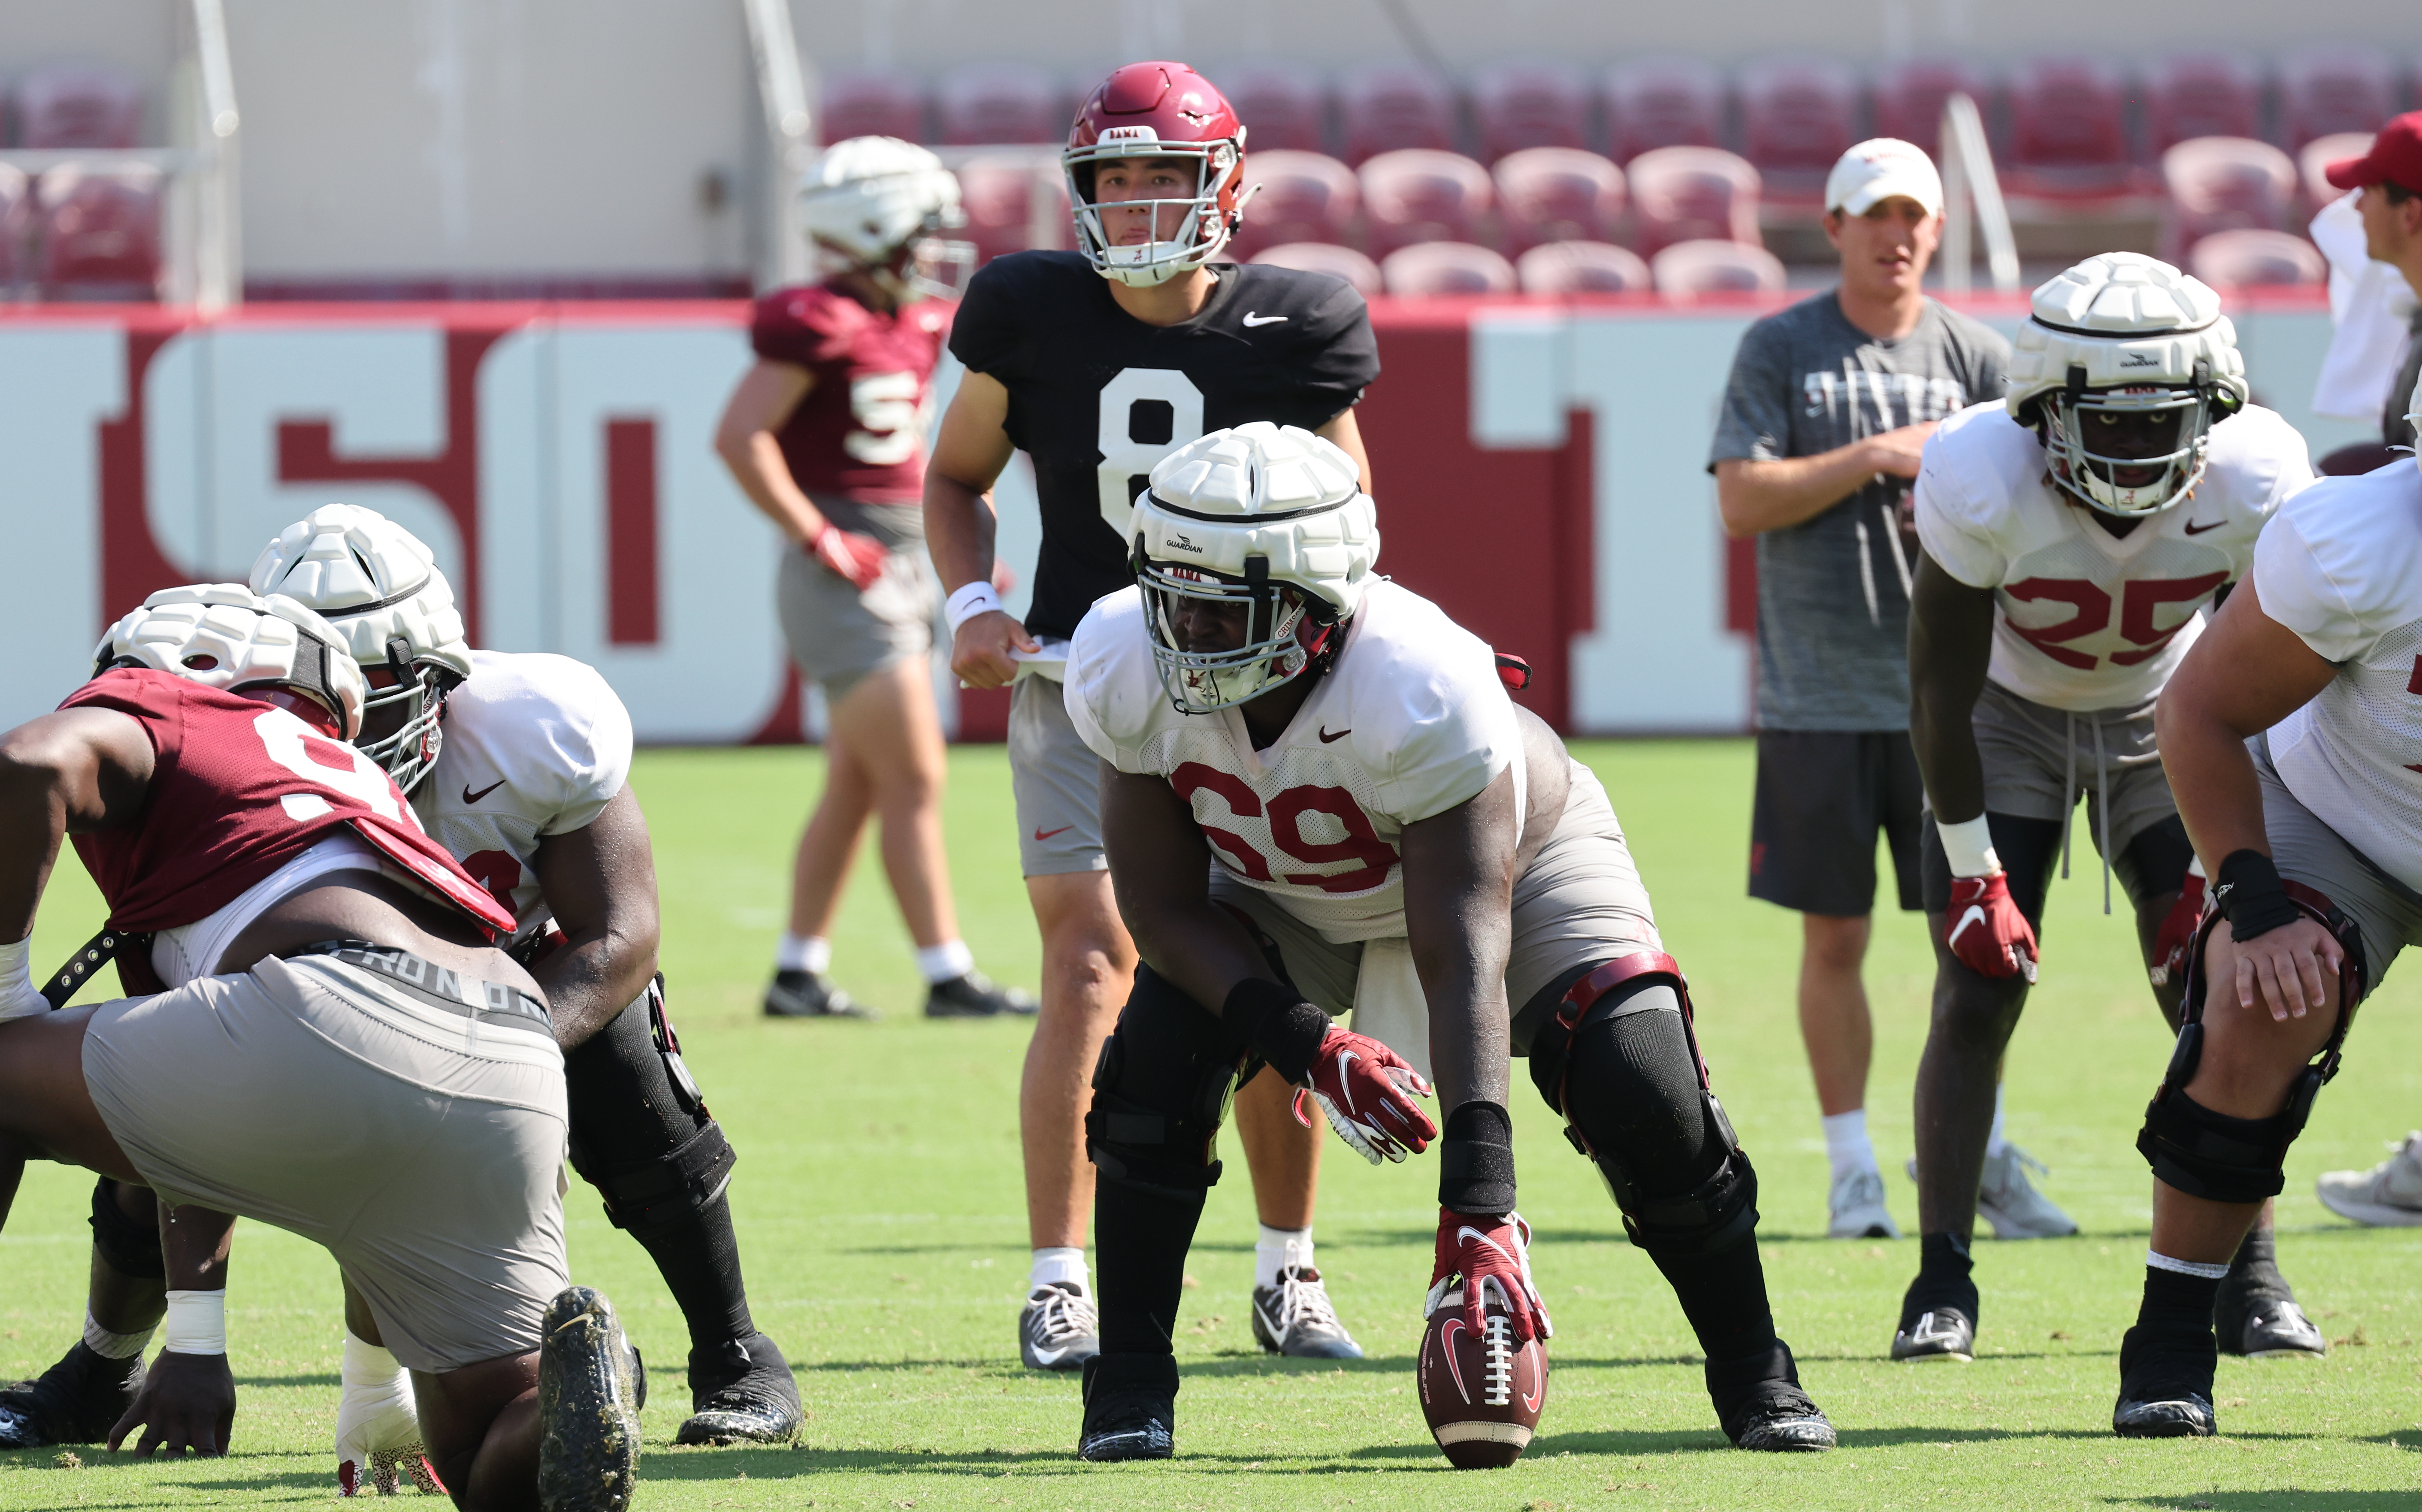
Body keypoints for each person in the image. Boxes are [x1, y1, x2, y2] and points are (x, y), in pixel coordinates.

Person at [1064, 423, 1835, 1461]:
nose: (1181, 633)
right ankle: (1130, 1388)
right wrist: (1312, 1046)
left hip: (1522, 863)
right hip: (1279, 890)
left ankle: (1756, 1373)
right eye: (1171, 597)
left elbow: (1465, 942)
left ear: (1313, 603)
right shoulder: (1122, 654)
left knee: (1641, 1077)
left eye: (1218, 610)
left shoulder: (1421, 680)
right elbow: (1160, 910)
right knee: (1156, 1058)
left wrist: (1479, 1209)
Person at [0, 505, 801, 1483]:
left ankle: (729, 1348)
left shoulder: (173, 715)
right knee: (483, 1445)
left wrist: (7, 988)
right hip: (497, 1048)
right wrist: (375, 1387)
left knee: (35, 1076)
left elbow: (30, 764)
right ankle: (555, 1401)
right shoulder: (358, 783)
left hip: (355, 1017)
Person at [922, 60, 1381, 1370]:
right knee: (1087, 959)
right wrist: (968, 599)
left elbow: (1356, 523)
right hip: (1081, 678)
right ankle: (1057, 1280)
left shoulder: (1295, 324)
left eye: (1160, 182)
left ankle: (1287, 1269)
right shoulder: (1025, 309)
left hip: (1250, 696)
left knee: (1261, 964)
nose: (1131, 212)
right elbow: (957, 477)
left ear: (1222, 189)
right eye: (1111, 185)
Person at [1896, 253, 2321, 1367]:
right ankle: (1940, 1277)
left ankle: (2251, 1279)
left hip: (2169, 715)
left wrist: (2224, 866)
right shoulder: (1977, 465)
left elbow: (2277, 683)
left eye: (2161, 424)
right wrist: (1974, 873)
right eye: (2109, 425)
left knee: (2219, 983)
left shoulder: (2258, 472)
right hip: (2006, 711)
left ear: (2213, 409)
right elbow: (1937, 684)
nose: (2136, 451)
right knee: (1977, 980)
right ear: (2041, 410)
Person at [1708, 139, 2015, 1240]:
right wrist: (1881, 455)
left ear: (1937, 230)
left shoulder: (1979, 354)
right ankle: (1852, 1171)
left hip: (1961, 704)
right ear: (1832, 228)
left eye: (1913, 216)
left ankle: (1984, 1159)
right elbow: (1743, 500)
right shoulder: (1782, 348)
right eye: (1872, 214)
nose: (1896, 234)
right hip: (1818, 698)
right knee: (1833, 938)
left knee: (1972, 935)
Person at [2111, 370, 2422, 1436]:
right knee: (2263, 995)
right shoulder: (2364, 541)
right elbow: (2197, 709)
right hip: (2343, 814)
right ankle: (2171, 1333)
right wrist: (2251, 896)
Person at [716, 136, 1031, 1022]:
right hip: (849, 574)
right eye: (921, 231)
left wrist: (961, 549)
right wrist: (818, 533)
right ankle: (946, 973)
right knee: (917, 775)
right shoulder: (818, 319)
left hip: (908, 560)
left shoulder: (909, 319)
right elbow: (740, 436)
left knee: (859, 783)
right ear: (877, 228)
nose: (934, 250)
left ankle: (796, 971)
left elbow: (921, 463)